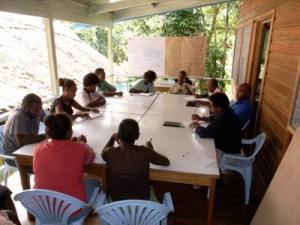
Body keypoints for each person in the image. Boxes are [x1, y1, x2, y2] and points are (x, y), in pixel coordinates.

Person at [33, 113, 101, 203]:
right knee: (96, 183)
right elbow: (91, 156)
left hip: (42, 207)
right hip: (72, 210)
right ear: (69, 133)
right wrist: (82, 143)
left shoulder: (38, 149)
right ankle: (90, 211)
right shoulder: (80, 149)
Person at [101, 118, 170, 202]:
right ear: (138, 135)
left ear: (119, 135)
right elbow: (166, 162)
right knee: (151, 188)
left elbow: (103, 153)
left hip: (116, 207)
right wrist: (151, 150)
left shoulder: (110, 152)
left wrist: (112, 138)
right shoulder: (144, 151)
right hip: (143, 206)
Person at [190, 92, 242, 162]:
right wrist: (201, 118)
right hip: (232, 147)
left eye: (211, 106)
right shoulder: (227, 111)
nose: (210, 108)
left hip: (228, 154)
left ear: (218, 108)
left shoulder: (222, 120)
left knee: (198, 151)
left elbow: (204, 133)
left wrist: (197, 126)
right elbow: (214, 118)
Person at [2, 93, 46, 166]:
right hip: (14, 153)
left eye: (40, 109)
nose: (39, 112)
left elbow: (49, 121)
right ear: (26, 108)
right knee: (43, 166)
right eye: (36, 110)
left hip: (29, 148)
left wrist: (52, 126)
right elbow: (21, 142)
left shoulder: (38, 110)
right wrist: (46, 135)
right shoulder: (18, 116)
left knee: (52, 158)